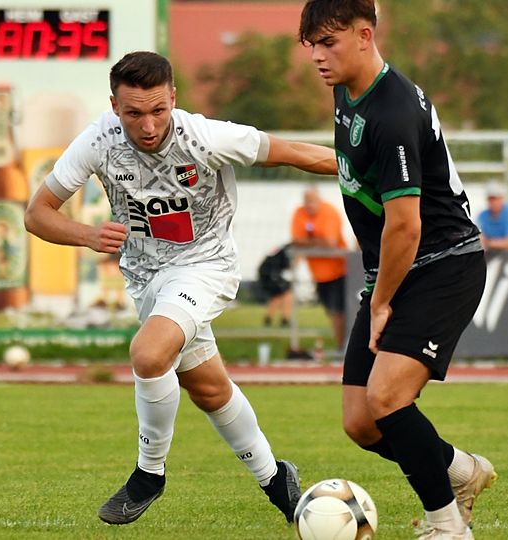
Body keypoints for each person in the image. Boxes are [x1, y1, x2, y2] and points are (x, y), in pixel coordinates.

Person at [24, 51, 337, 526]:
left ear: (173, 97)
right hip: (146, 279)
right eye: (133, 113)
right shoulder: (98, 141)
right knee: (209, 390)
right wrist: (87, 235)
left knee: (149, 354)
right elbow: (37, 214)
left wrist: (373, 173)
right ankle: (277, 481)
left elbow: (297, 153)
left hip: (205, 266)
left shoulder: (205, 137)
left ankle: (149, 473)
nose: (148, 125)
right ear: (114, 106)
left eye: (158, 110)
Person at [300, 3, 496, 538]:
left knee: (387, 398)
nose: (317, 56)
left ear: (365, 37)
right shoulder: (348, 88)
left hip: (443, 265)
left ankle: (447, 525)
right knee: (361, 422)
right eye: (312, 45)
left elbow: (406, 226)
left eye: (328, 42)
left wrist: (382, 301)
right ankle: (459, 469)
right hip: (393, 269)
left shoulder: (392, 111)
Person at [291, 185, 348, 346]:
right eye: (306, 200)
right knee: (331, 312)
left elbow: (330, 242)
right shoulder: (299, 213)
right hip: (318, 274)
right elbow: (296, 240)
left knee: (339, 312)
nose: (309, 204)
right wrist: (317, 242)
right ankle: (342, 346)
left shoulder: (329, 212)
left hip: (340, 271)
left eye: (312, 200)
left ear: (319, 200)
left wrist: (307, 242)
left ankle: (343, 347)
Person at [476, 180, 508, 251]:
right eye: (491, 198)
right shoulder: (483, 216)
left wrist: (488, 243)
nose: (493, 202)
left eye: (496, 198)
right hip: (498, 255)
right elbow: (480, 238)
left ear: (502, 198)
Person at [257, 244, 293, 328]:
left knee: (278, 296)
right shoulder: (289, 249)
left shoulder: (285, 247)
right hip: (271, 275)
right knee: (288, 293)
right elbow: (289, 266)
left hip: (266, 274)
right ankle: (284, 319)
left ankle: (268, 319)